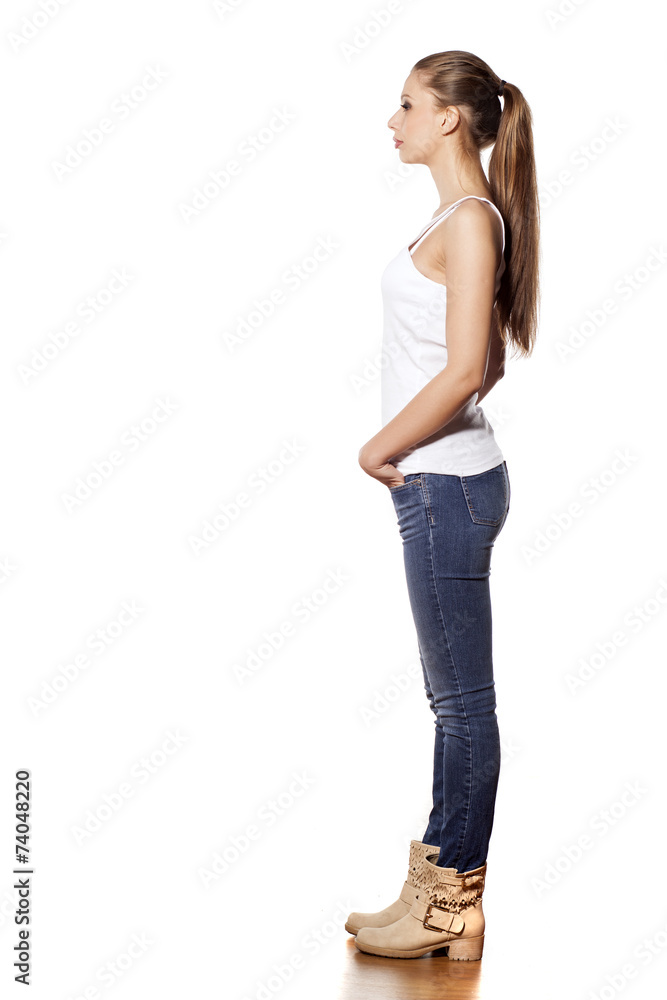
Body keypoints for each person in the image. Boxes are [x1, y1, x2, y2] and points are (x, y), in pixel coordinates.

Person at [348, 50, 540, 961]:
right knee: (449, 701)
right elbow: (486, 360)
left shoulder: (469, 222)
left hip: (446, 485)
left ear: (449, 121)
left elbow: (467, 370)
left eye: (406, 105)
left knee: (461, 705)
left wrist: (380, 445)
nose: (393, 121)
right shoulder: (464, 218)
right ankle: (432, 886)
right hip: (448, 482)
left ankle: (452, 904)